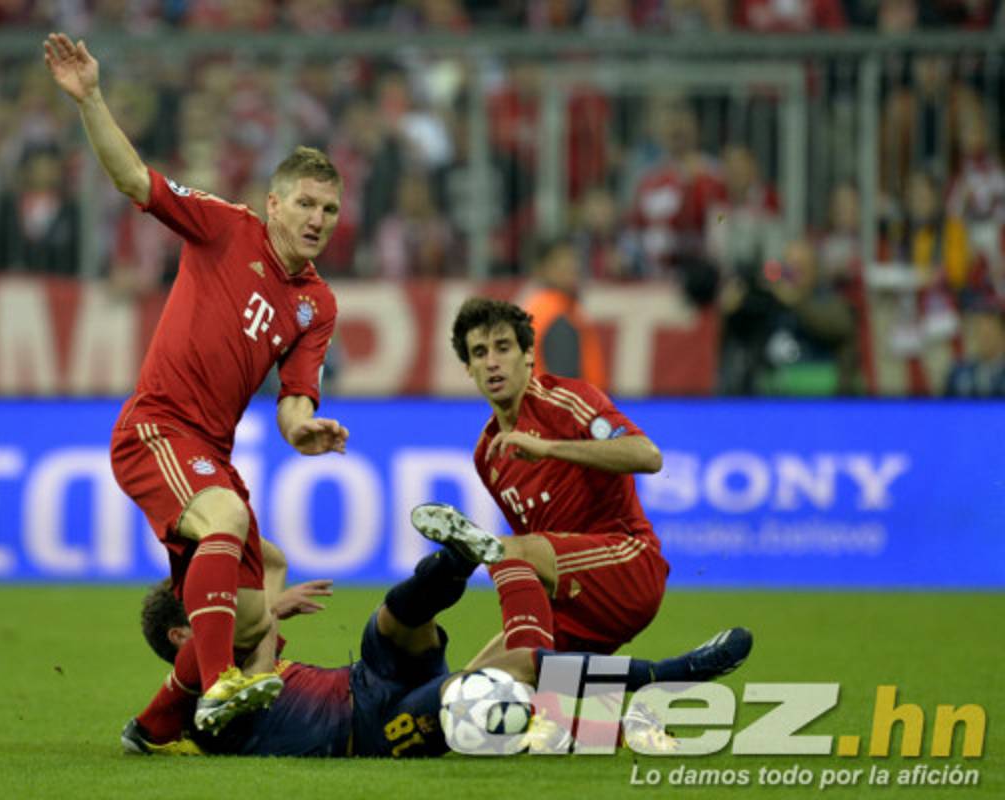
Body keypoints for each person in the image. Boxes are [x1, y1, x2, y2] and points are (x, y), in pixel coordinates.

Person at [43, 32, 350, 733]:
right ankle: (219, 691)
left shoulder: (318, 304)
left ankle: (152, 729)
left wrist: (301, 426)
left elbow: (294, 396)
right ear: (273, 204)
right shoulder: (222, 229)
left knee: (251, 608)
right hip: (155, 428)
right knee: (228, 521)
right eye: (304, 204)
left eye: (328, 211)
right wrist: (91, 98)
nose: (316, 220)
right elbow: (134, 181)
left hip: (210, 449)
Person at [123, 545, 753, 757]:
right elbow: (153, 725)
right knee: (505, 673)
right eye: (207, 603)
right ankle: (663, 677)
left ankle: (451, 564)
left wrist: (219, 549)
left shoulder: (232, 644)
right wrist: (263, 617)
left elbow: (272, 559)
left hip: (365, 681)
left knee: (393, 620)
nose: (222, 603)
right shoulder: (200, 685)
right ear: (184, 636)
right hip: (371, 732)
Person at [412, 297, 671, 665]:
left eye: (503, 348)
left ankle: (530, 660)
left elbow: (648, 455)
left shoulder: (568, 400)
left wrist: (549, 448)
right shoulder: (488, 456)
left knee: (505, 551)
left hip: (628, 566)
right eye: (480, 352)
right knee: (469, 691)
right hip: (574, 593)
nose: (492, 362)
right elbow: (535, 550)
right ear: (468, 368)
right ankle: (630, 724)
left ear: (529, 355)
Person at [520, 237, 607, 387]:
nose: (572, 270)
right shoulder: (557, 317)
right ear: (542, 269)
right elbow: (566, 389)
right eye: (562, 265)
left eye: (574, 263)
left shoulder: (535, 308)